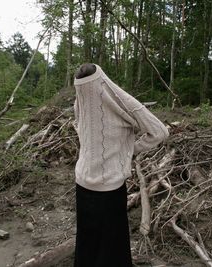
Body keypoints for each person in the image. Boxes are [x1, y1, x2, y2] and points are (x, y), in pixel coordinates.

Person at [73, 63, 169, 267]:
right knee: (112, 248)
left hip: (82, 183)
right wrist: (131, 149)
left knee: (87, 244)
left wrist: (128, 148)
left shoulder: (80, 99)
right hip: (108, 188)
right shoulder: (121, 101)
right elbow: (159, 131)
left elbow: (81, 129)